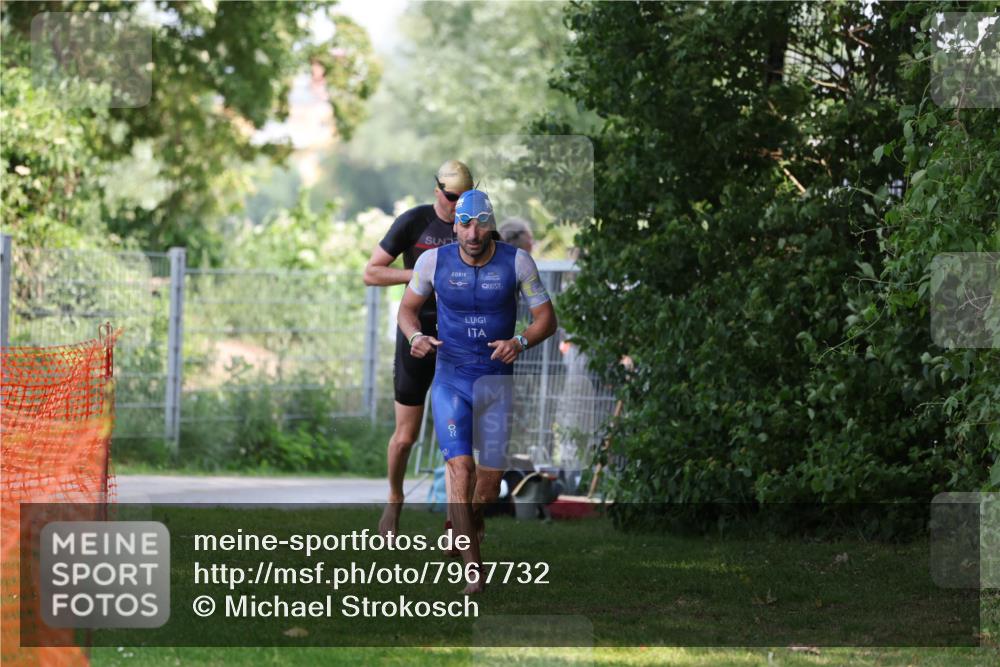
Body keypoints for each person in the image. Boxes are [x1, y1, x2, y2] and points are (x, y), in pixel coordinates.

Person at [398, 189, 557, 593]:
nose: (472, 232)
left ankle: (466, 523)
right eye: (465, 223)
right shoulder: (432, 262)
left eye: (480, 223)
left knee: (487, 487)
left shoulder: (517, 261)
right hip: (451, 379)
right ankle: (474, 571)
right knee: (460, 468)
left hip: (495, 383)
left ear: (490, 225)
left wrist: (519, 342)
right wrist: (415, 335)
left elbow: (546, 320)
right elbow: (406, 309)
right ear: (455, 225)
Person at [364, 160, 474, 538]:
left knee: (455, 437)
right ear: (437, 191)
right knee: (406, 436)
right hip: (415, 332)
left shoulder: (474, 225)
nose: (458, 204)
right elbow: (371, 271)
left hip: (458, 338)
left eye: (465, 197)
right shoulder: (415, 222)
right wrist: (422, 274)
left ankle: (454, 522)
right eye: (451, 196)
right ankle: (394, 499)